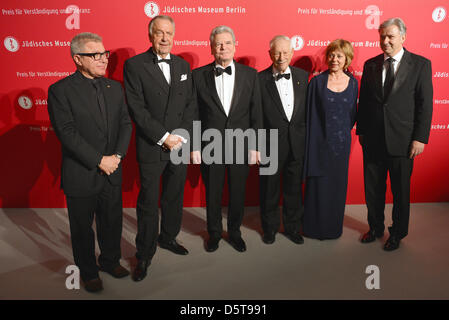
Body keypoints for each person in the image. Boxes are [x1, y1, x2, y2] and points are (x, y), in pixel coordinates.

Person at [47, 32, 132, 292]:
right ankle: (88, 270)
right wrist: (99, 160)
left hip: (113, 170)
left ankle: (110, 261)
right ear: (78, 59)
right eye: (95, 55)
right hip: (82, 172)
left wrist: (116, 157)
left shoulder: (114, 87)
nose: (103, 59)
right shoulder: (60, 90)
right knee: (82, 228)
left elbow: (125, 123)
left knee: (112, 221)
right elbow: (67, 133)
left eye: (104, 54)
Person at [124, 15, 196, 281]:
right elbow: (137, 108)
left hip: (179, 143)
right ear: (150, 35)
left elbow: (190, 104)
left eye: (169, 33)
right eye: (159, 33)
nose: (165, 38)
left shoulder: (183, 65)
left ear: (174, 35)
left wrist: (179, 136)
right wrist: (163, 136)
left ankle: (168, 237)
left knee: (174, 197)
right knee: (148, 202)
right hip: (152, 145)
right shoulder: (134, 65)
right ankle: (143, 254)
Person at [357, 17, 433, 251]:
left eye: (390, 36)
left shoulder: (420, 64)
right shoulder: (370, 64)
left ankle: (397, 233)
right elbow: (365, 103)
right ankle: (375, 227)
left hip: (403, 141)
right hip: (372, 140)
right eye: (382, 36)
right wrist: (361, 133)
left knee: (400, 191)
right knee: (373, 190)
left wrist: (420, 138)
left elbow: (425, 103)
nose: (386, 41)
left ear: (403, 37)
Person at [191, 26, 263, 253]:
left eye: (227, 43)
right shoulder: (197, 76)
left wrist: (256, 146)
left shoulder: (250, 75)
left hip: (241, 144)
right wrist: (194, 146)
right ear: (211, 47)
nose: (223, 47)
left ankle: (234, 232)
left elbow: (256, 112)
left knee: (237, 191)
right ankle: (213, 233)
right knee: (212, 192)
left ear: (235, 45)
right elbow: (193, 113)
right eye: (218, 43)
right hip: (209, 145)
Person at [303, 39, 358, 240]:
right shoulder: (316, 82)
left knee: (336, 187)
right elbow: (309, 115)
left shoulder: (353, 83)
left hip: (340, 146)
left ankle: (333, 228)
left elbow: (352, 115)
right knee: (318, 186)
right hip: (318, 144)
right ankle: (312, 227)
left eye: (339, 56)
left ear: (347, 59)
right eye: (332, 55)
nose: (334, 59)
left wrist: (340, 134)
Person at [258, 35, 309, 245]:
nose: (281, 57)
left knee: (294, 189)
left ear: (292, 53)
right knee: (269, 189)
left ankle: (292, 228)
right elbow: (257, 115)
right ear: (269, 54)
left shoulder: (304, 77)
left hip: (297, 143)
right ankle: (269, 229)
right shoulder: (259, 79)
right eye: (277, 52)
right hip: (270, 144)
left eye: (285, 52)